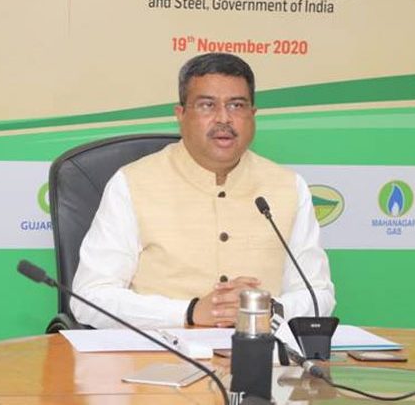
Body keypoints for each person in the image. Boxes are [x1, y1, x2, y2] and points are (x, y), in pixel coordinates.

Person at [71, 53, 335, 329]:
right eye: (207, 105)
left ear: (252, 116)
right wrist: (190, 312)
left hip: (262, 350)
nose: (224, 118)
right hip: (158, 351)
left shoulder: (288, 186)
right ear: (181, 115)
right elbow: (89, 298)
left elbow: (319, 296)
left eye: (236, 105)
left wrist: (264, 308)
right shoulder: (132, 183)